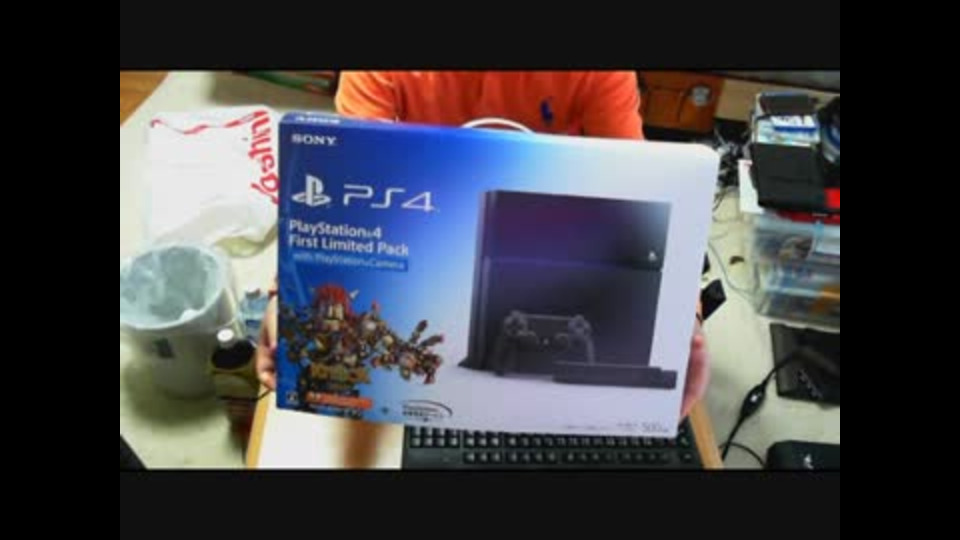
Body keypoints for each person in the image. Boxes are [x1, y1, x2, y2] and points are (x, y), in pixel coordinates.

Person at [255, 70, 709, 418]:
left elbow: (639, 194)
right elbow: (341, 197)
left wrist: (684, 321)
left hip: (549, 256)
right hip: (423, 256)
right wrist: (287, 296)